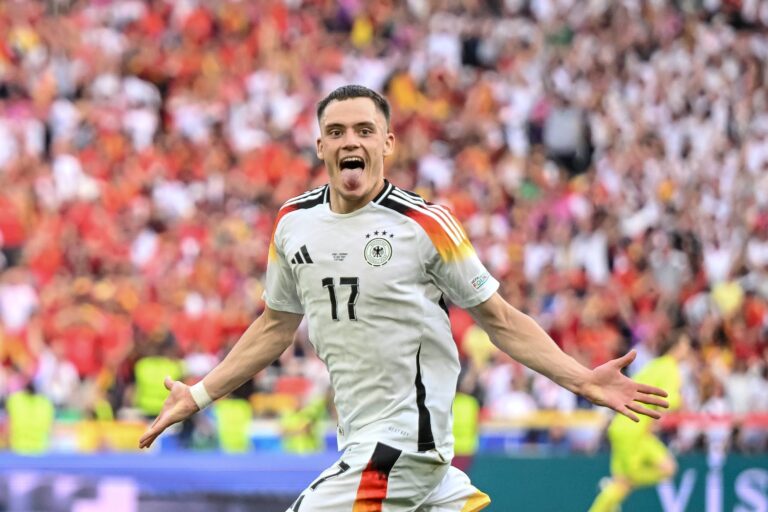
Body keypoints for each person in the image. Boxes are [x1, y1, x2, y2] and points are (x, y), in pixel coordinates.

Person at [139, 85, 669, 512]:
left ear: (387, 144)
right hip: (381, 451)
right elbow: (275, 325)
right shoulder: (293, 223)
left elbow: (500, 320)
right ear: (320, 146)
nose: (352, 141)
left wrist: (579, 378)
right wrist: (200, 394)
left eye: (365, 131)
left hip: (401, 447)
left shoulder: (425, 224)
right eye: (337, 131)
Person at [588, 332, 691, 512]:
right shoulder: (670, 368)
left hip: (630, 428)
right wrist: (682, 402)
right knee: (625, 483)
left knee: (667, 468)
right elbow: (668, 400)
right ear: (678, 347)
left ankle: (614, 487)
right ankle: (614, 487)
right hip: (632, 430)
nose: (688, 350)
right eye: (686, 345)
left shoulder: (654, 365)